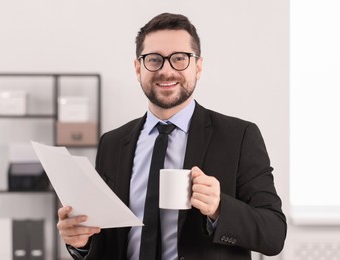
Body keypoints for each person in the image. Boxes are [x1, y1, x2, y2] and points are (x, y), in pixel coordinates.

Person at [57, 13, 287, 260]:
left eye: (179, 59)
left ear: (198, 67)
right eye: (154, 59)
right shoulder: (112, 142)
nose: (166, 71)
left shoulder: (239, 137)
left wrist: (220, 208)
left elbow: (274, 234)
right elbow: (109, 241)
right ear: (138, 68)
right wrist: (81, 242)